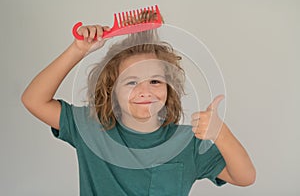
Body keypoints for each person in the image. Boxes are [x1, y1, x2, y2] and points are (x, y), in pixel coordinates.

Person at [21, 21, 256, 195]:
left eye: (155, 81)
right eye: (131, 82)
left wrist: (220, 133)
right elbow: (33, 100)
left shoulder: (188, 142)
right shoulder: (90, 128)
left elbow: (245, 177)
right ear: (112, 90)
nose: (145, 90)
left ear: (168, 88)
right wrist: (78, 50)